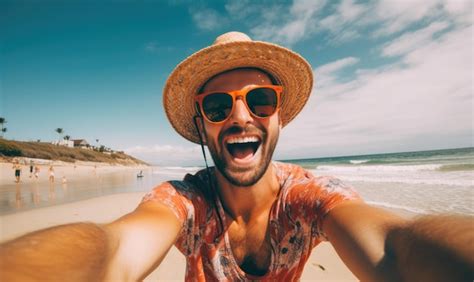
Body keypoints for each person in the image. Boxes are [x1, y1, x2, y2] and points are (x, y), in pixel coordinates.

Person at [0, 32, 472, 281]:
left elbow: (394, 249)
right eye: (219, 105)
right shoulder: (187, 201)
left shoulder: (311, 199)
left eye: (260, 99)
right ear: (203, 126)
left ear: (279, 117)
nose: (241, 117)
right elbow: (115, 251)